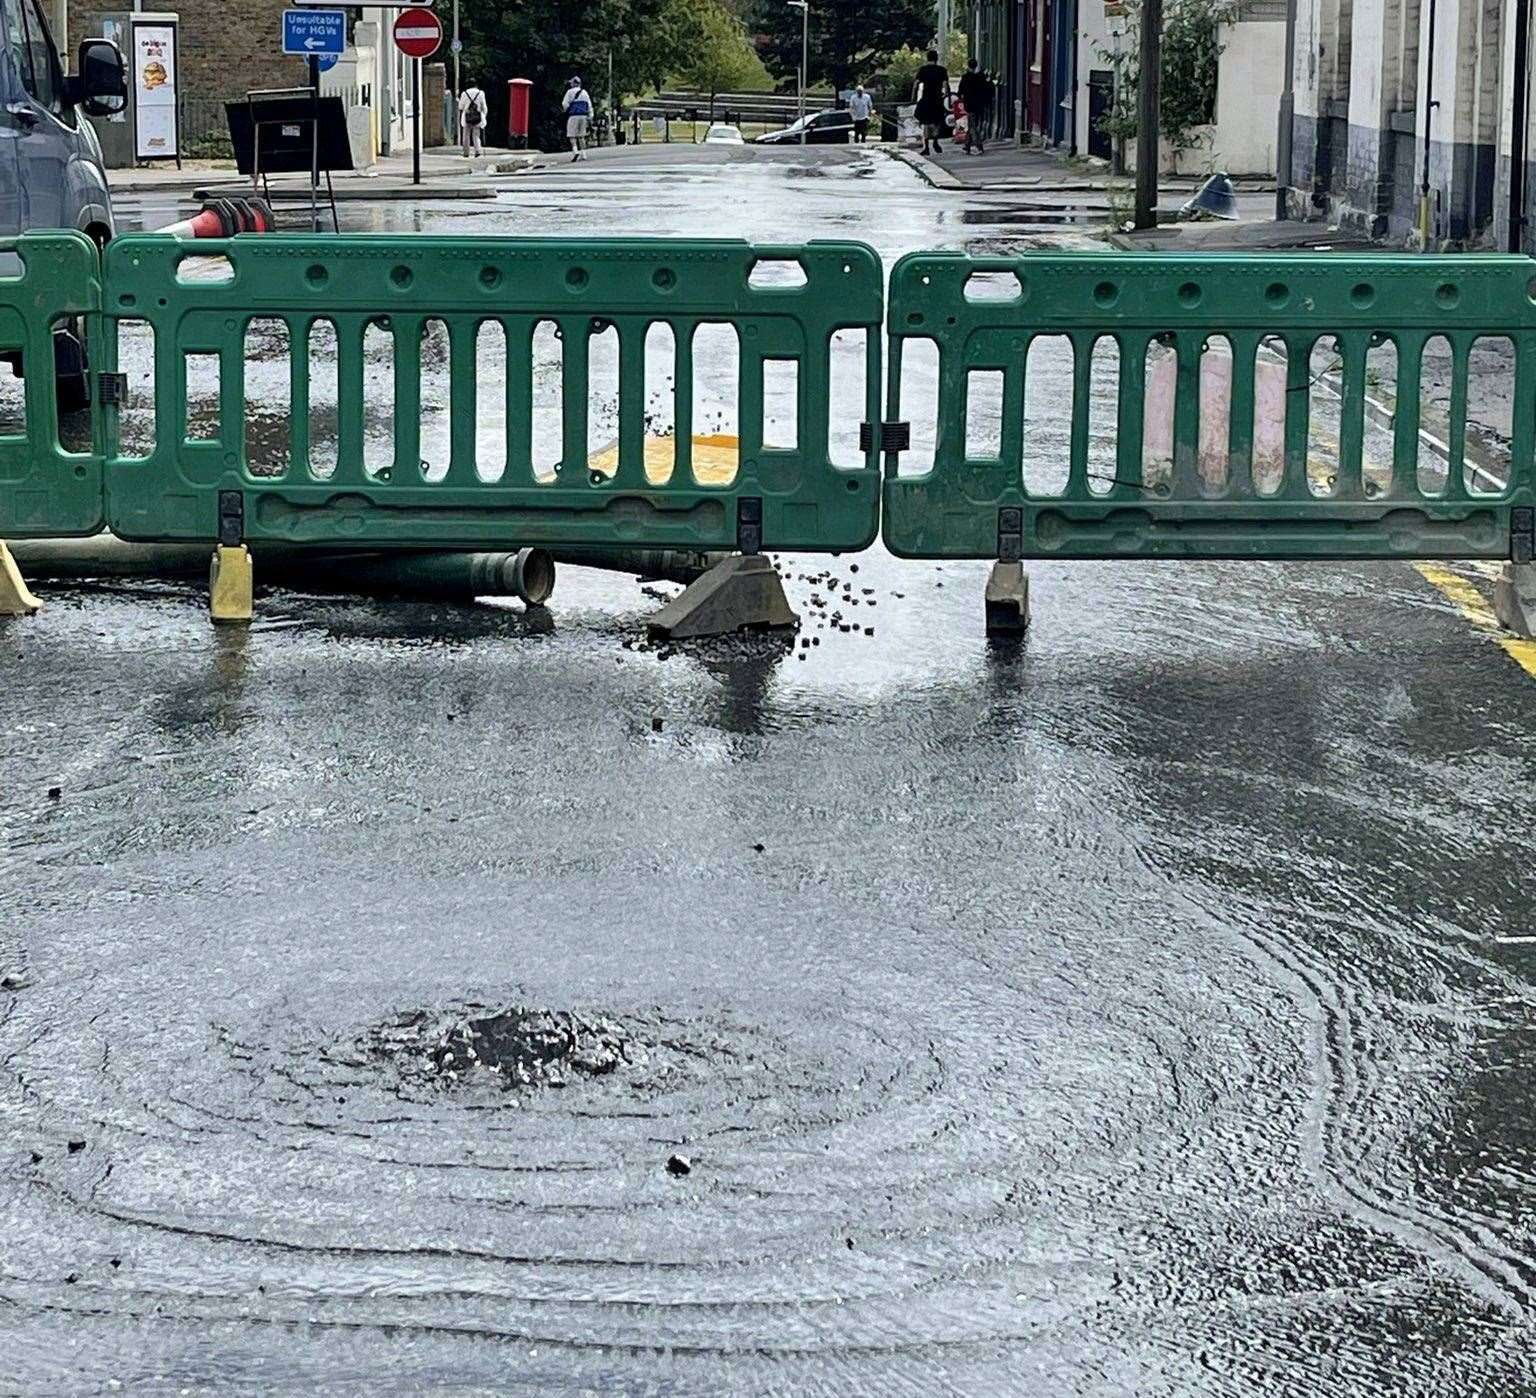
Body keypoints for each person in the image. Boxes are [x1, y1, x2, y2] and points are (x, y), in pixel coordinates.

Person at [912, 48, 950, 156]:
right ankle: (936, 141)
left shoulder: (923, 70)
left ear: (927, 58)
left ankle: (927, 147)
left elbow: (916, 84)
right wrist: (946, 95)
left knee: (926, 123)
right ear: (937, 59)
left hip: (926, 99)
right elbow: (945, 85)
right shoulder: (942, 70)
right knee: (937, 121)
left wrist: (913, 97)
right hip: (937, 99)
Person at [957, 58, 991, 155]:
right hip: (979, 104)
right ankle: (967, 145)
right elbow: (985, 89)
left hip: (969, 104)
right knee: (973, 124)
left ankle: (978, 145)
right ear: (976, 66)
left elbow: (960, 92)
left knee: (972, 126)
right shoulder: (980, 77)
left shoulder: (965, 77)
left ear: (968, 66)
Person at [562, 76, 593, 161]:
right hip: (583, 116)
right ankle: (584, 154)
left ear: (574, 83)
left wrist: (566, 110)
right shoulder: (585, 92)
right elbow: (589, 105)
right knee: (582, 136)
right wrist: (590, 116)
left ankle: (575, 151)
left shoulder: (569, 92)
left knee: (572, 135)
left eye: (571, 83)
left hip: (573, 115)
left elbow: (565, 104)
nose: (571, 84)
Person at [458, 80, 487, 158]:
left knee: (466, 135)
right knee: (476, 134)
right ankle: (477, 151)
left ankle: (466, 152)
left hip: (467, 116)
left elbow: (460, 106)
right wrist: (484, 115)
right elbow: (484, 106)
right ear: (476, 85)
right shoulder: (481, 93)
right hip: (477, 116)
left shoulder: (464, 93)